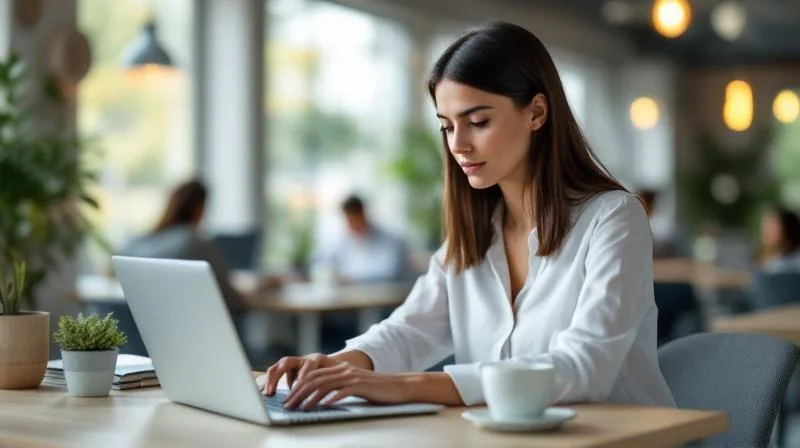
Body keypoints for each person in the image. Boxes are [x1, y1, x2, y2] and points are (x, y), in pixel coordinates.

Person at [262, 21, 675, 410]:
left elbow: (584, 368)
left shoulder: (614, 219)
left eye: (478, 121)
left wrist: (400, 386)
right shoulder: (475, 234)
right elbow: (409, 330)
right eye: (446, 126)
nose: (458, 144)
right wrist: (336, 366)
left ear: (536, 113)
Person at [116, 179, 248, 312]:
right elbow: (231, 297)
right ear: (199, 208)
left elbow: (112, 264)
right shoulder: (194, 243)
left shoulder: (141, 242)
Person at [314, 195, 413, 284]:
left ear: (362, 214)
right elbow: (323, 261)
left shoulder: (391, 240)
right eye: (347, 219)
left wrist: (350, 278)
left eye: (352, 218)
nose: (349, 224)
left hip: (387, 298)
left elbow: (389, 272)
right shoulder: (343, 241)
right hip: (353, 297)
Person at [758, 205, 800, 273]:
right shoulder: (769, 261)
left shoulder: (793, 262)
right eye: (766, 226)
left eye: (772, 226)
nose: (766, 231)